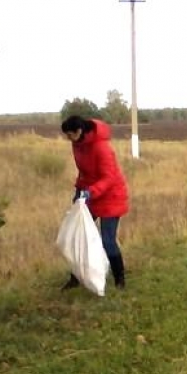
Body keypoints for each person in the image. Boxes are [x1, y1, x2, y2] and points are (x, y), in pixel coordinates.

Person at [59, 115, 130, 289]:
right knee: (79, 235)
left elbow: (109, 177)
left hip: (111, 196)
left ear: (79, 131)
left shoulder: (102, 148)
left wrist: (90, 191)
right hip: (91, 195)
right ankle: (76, 277)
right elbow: (83, 173)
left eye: (70, 135)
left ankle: (119, 279)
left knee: (107, 240)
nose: (68, 139)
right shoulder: (77, 144)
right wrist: (78, 191)